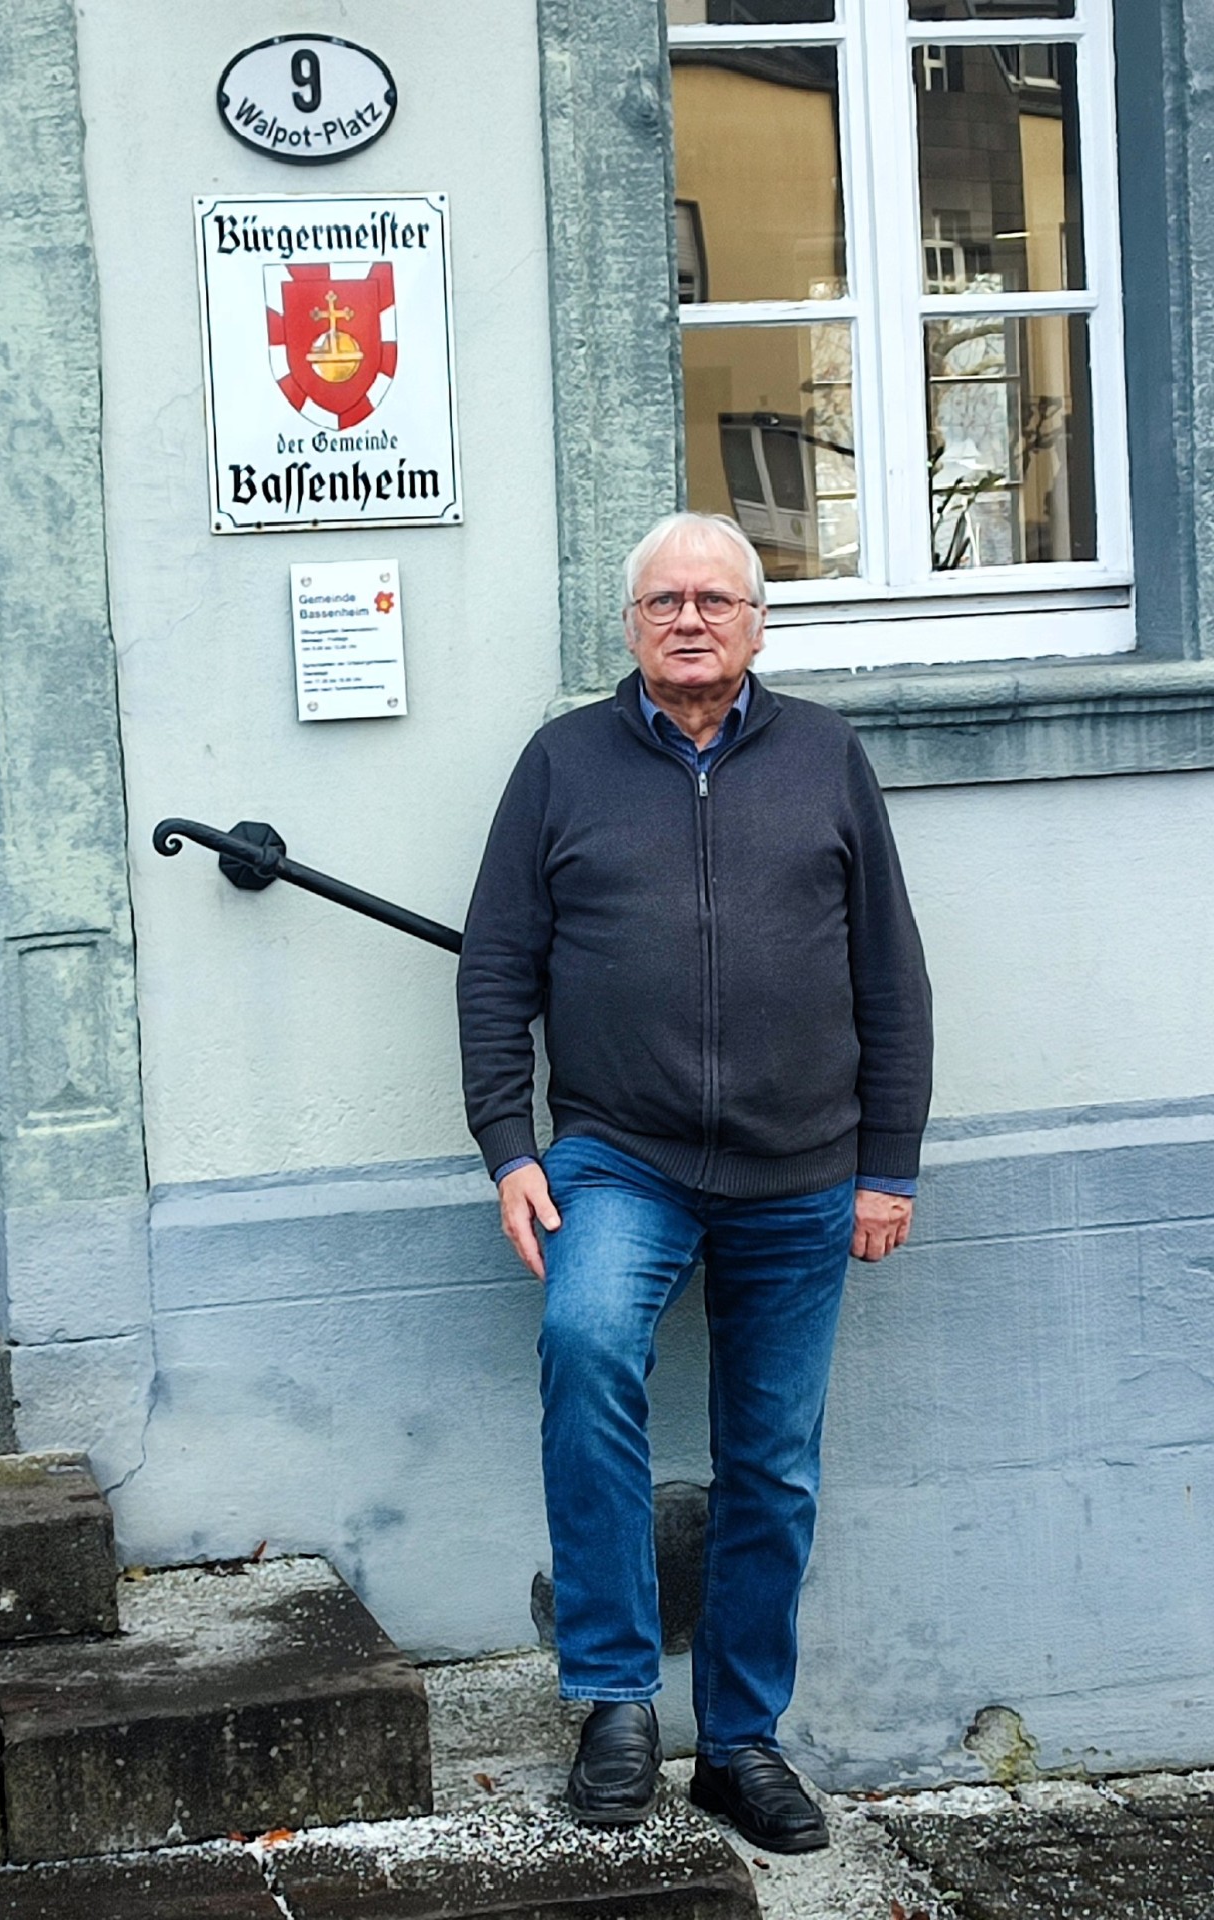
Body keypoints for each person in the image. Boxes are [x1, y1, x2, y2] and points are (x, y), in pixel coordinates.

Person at [456, 511, 933, 1852]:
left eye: (713, 597)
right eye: (662, 598)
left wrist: (885, 1163)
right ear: (630, 626)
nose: (687, 617)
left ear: (757, 622)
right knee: (588, 1346)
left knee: (770, 1461)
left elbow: (891, 977)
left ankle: (738, 1742)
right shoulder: (562, 764)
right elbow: (495, 969)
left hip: (801, 1169)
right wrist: (510, 1146)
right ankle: (614, 1706)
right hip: (619, 1156)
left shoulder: (826, 760)